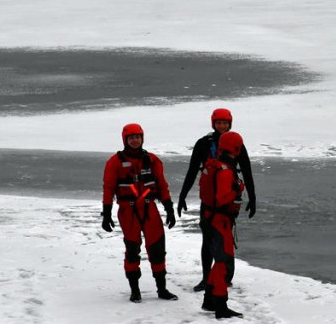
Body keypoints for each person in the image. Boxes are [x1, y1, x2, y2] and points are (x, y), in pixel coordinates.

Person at [177, 107, 257, 291]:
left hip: (228, 200)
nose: (222, 126)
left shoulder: (237, 143)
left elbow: (246, 171)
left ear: (230, 124)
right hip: (208, 200)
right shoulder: (203, 144)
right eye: (219, 123)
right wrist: (182, 196)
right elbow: (191, 171)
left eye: (225, 123)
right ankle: (206, 278)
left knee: (226, 238)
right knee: (208, 240)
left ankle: (225, 278)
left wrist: (252, 198)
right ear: (213, 124)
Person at [101, 123, 178, 303]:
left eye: (138, 137)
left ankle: (162, 289)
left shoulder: (152, 160)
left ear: (142, 138)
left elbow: (162, 186)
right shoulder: (114, 162)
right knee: (132, 250)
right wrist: (106, 214)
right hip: (128, 211)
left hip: (150, 209)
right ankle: (135, 291)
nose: (135, 140)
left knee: (157, 249)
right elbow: (108, 189)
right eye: (131, 137)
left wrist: (169, 208)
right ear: (125, 140)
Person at [198, 130, 246, 319]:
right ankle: (220, 306)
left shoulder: (213, 166)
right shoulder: (225, 171)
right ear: (235, 148)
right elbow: (222, 198)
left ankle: (209, 301)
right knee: (222, 263)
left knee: (219, 260)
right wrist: (237, 189)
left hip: (209, 218)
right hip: (219, 221)